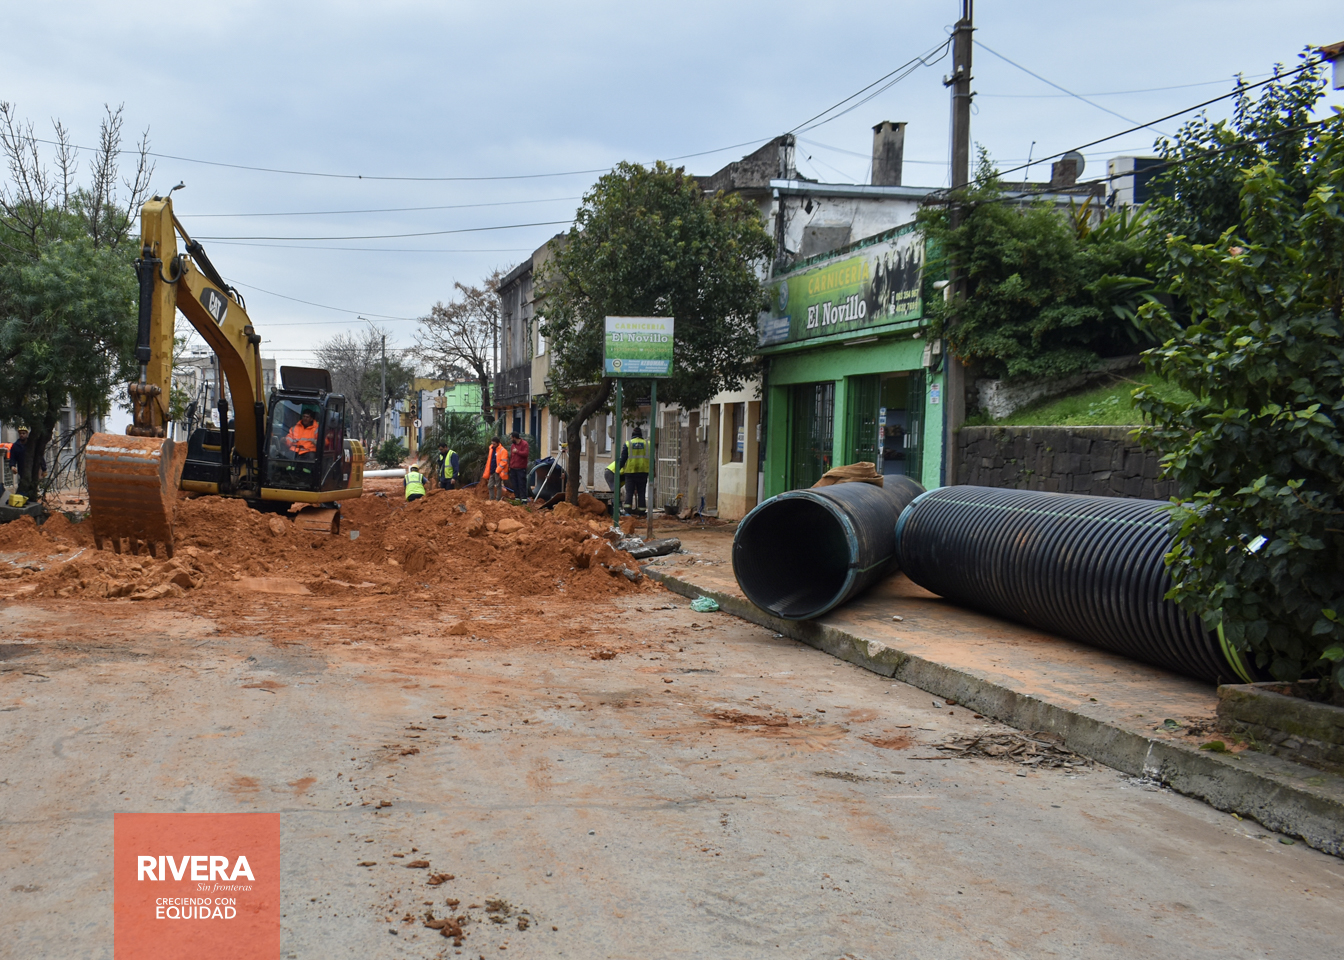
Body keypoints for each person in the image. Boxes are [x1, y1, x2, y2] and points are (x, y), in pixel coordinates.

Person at [619, 425, 650, 511]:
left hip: (630, 472)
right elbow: (652, 459)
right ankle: (641, 510)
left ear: (632, 434)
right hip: (643, 472)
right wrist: (652, 470)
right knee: (641, 492)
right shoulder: (647, 443)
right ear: (641, 435)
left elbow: (623, 458)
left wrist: (618, 468)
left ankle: (628, 510)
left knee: (629, 492)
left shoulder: (628, 443)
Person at [481, 435, 508, 500]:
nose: (493, 445)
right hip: (492, 471)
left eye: (494, 444)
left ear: (498, 443)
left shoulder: (503, 450)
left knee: (498, 486)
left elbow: (504, 462)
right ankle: (491, 499)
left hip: (498, 471)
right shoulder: (491, 449)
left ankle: (497, 499)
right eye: (492, 443)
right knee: (490, 485)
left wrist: (498, 470)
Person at [508, 432, 530, 500]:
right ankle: (517, 498)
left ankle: (523, 499)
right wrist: (510, 465)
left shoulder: (524, 444)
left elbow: (526, 454)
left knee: (522, 484)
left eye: (511, 438)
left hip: (521, 468)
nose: (511, 440)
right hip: (513, 468)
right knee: (515, 484)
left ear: (515, 438)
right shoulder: (513, 446)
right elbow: (512, 456)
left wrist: (517, 451)